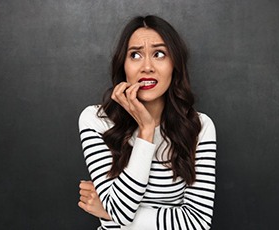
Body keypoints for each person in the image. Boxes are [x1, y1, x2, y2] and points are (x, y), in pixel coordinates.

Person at [78, 15, 216, 230]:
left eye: (159, 54)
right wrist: (147, 130)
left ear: (174, 65)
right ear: (123, 65)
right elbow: (120, 211)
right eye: (135, 55)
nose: (147, 66)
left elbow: (198, 222)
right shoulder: (96, 120)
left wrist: (107, 212)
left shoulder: (199, 127)